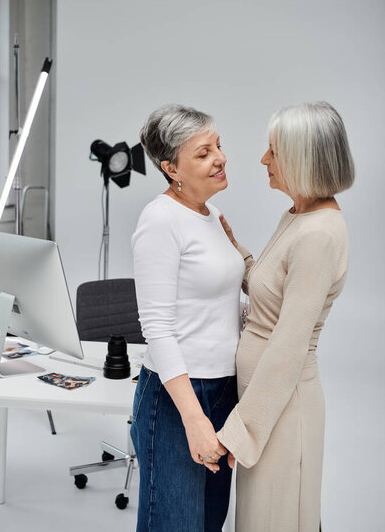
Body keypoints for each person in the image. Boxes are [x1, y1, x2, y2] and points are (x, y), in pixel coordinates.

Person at [216, 101, 355, 532]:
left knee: (274, 521)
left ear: (301, 158)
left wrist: (239, 431)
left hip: (281, 407)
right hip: (267, 405)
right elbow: (271, 292)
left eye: (273, 151)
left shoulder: (318, 234)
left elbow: (287, 348)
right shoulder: (299, 214)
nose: (263, 160)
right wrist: (233, 251)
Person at [130, 104, 244, 532]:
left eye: (218, 146)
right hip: (178, 399)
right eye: (202, 153)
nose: (220, 158)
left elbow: (216, 302)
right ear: (170, 168)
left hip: (223, 392)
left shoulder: (211, 215)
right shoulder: (160, 220)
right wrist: (195, 420)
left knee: (210, 523)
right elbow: (156, 327)